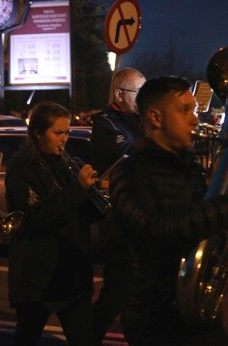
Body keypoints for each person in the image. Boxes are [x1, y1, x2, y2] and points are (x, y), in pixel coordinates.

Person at [110, 76, 228, 345]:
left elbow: (200, 229)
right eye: (185, 111)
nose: (195, 119)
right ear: (155, 117)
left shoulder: (189, 168)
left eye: (194, 110)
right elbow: (155, 227)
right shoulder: (130, 172)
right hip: (157, 322)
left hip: (195, 314)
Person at [5, 101, 103, 346]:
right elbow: (40, 217)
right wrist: (78, 189)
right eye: (58, 133)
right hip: (38, 277)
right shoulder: (21, 169)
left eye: (67, 132)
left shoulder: (67, 163)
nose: (64, 139)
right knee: (26, 337)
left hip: (72, 274)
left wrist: (97, 197)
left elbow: (79, 214)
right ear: (38, 134)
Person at [89, 67, 146, 345]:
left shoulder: (140, 121)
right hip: (119, 223)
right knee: (116, 293)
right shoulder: (106, 124)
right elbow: (129, 155)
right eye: (139, 92)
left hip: (141, 218)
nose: (143, 98)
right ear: (119, 94)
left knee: (140, 298)